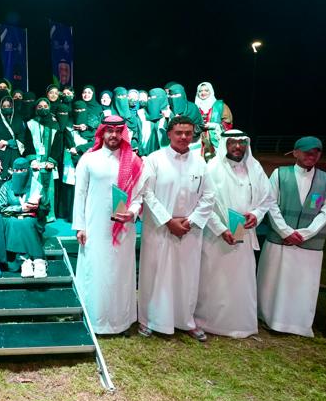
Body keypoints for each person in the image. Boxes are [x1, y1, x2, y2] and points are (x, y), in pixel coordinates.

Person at [132, 116, 217, 340]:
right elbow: (146, 193)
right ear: (169, 134)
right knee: (155, 275)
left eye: (188, 133)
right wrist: (168, 221)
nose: (183, 137)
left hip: (189, 229)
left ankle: (185, 320)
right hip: (160, 228)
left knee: (187, 277)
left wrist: (191, 220)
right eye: (179, 133)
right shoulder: (155, 159)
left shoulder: (200, 163)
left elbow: (209, 196)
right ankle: (148, 320)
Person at [195, 129, 276, 339]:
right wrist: (221, 229)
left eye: (242, 143)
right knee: (215, 278)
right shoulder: (212, 168)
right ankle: (210, 322)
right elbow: (204, 203)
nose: (238, 147)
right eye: (232, 143)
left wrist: (256, 215)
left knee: (241, 279)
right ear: (225, 145)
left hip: (245, 233)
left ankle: (239, 323)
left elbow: (267, 198)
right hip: (217, 236)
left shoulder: (255, 167)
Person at [257, 136, 326, 337]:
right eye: (307, 151)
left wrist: (304, 234)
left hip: (309, 243)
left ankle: (297, 323)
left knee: (303, 284)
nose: (311, 155)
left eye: (316, 152)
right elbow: (270, 204)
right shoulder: (280, 174)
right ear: (295, 153)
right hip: (280, 239)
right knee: (273, 281)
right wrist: (286, 232)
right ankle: (269, 318)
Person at [72, 116, 142, 335]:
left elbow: (140, 196)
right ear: (102, 132)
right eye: (109, 131)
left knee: (120, 273)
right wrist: (80, 226)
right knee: (95, 272)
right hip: (95, 228)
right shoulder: (88, 159)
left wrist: (132, 212)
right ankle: (94, 320)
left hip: (124, 229)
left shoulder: (133, 161)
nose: (114, 135)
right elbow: (80, 194)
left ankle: (120, 321)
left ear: (123, 133)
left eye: (118, 131)